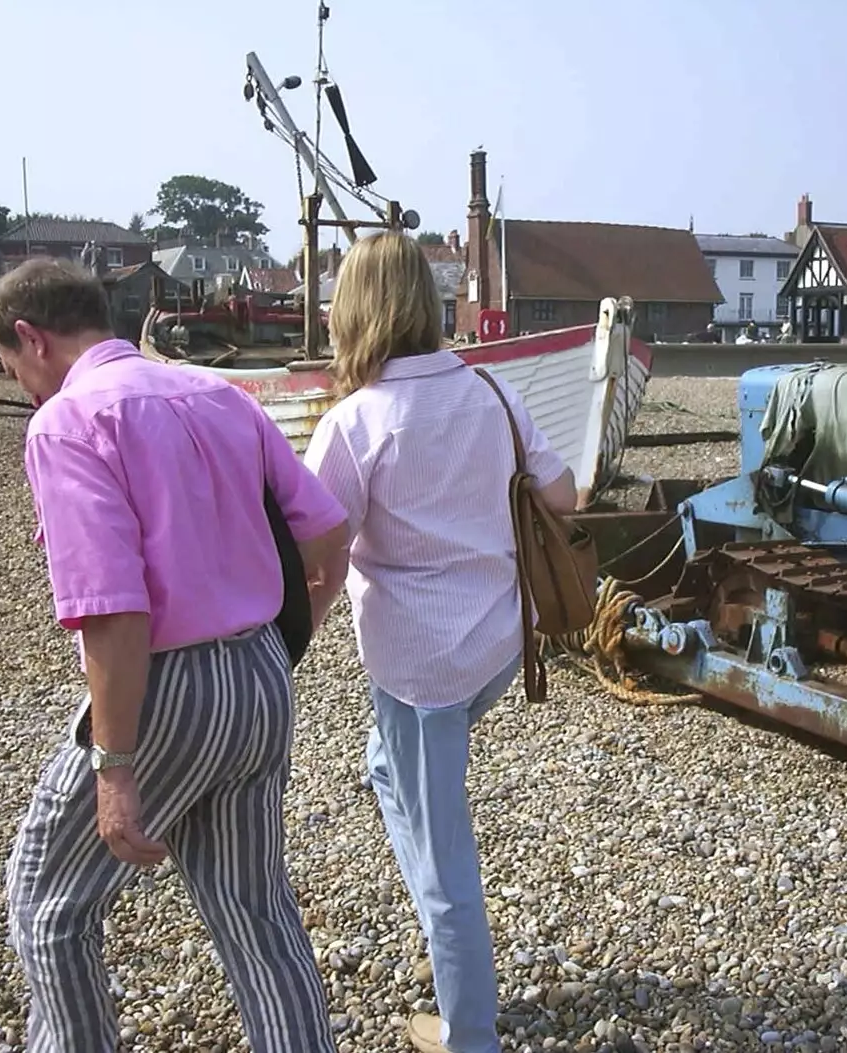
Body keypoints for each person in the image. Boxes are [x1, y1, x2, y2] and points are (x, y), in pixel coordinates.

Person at [0, 257, 350, 1053]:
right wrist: (291, 640)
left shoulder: (67, 423)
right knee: (255, 914)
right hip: (260, 673)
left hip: (166, 686)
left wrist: (114, 766)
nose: (22, 386)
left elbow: (114, 610)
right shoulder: (220, 395)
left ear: (29, 338)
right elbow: (329, 533)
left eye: (12, 367)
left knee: (50, 903)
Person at [301, 232, 577, 1053]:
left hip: (419, 670)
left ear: (355, 310)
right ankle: (453, 944)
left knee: (445, 858)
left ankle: (471, 1031)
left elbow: (317, 558)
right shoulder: (493, 393)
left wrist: (273, 654)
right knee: (386, 772)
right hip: (499, 644)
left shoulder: (357, 422)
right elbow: (560, 493)